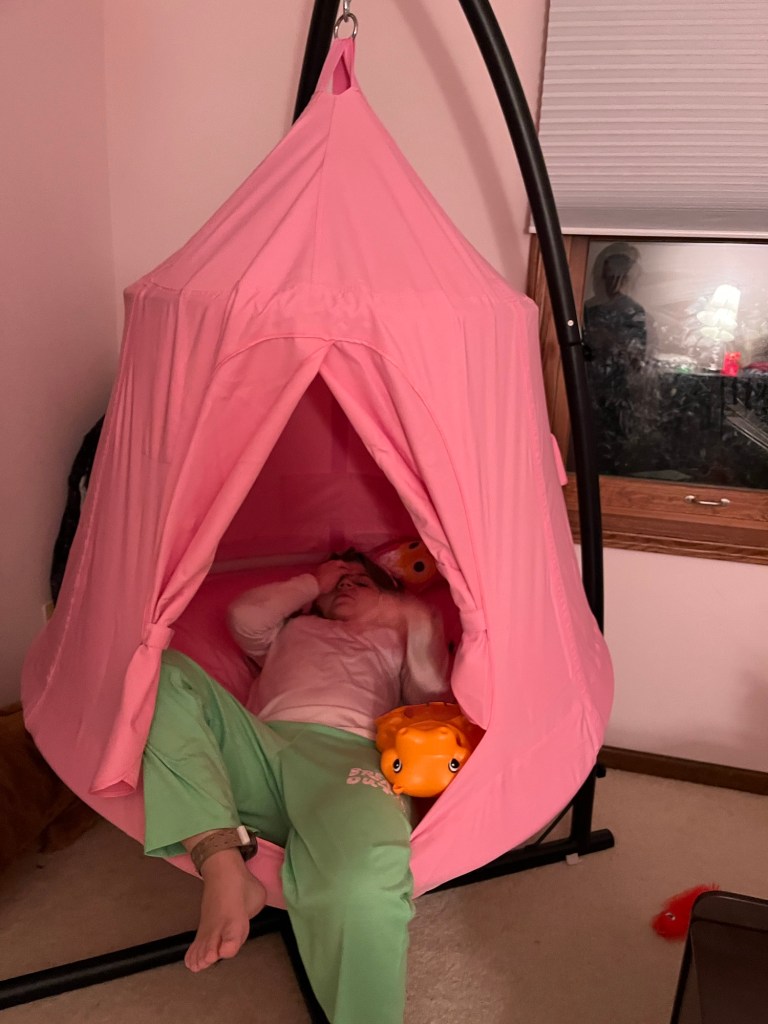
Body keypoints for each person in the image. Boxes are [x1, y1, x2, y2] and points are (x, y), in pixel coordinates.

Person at [141, 547, 450, 1024]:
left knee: (366, 879)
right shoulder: (293, 629)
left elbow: (432, 696)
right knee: (159, 673)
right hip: (263, 747)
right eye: (339, 583)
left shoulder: (393, 639)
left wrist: (407, 615)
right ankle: (221, 862)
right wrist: (313, 583)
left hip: (350, 757)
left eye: (361, 582)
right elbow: (245, 616)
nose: (347, 586)